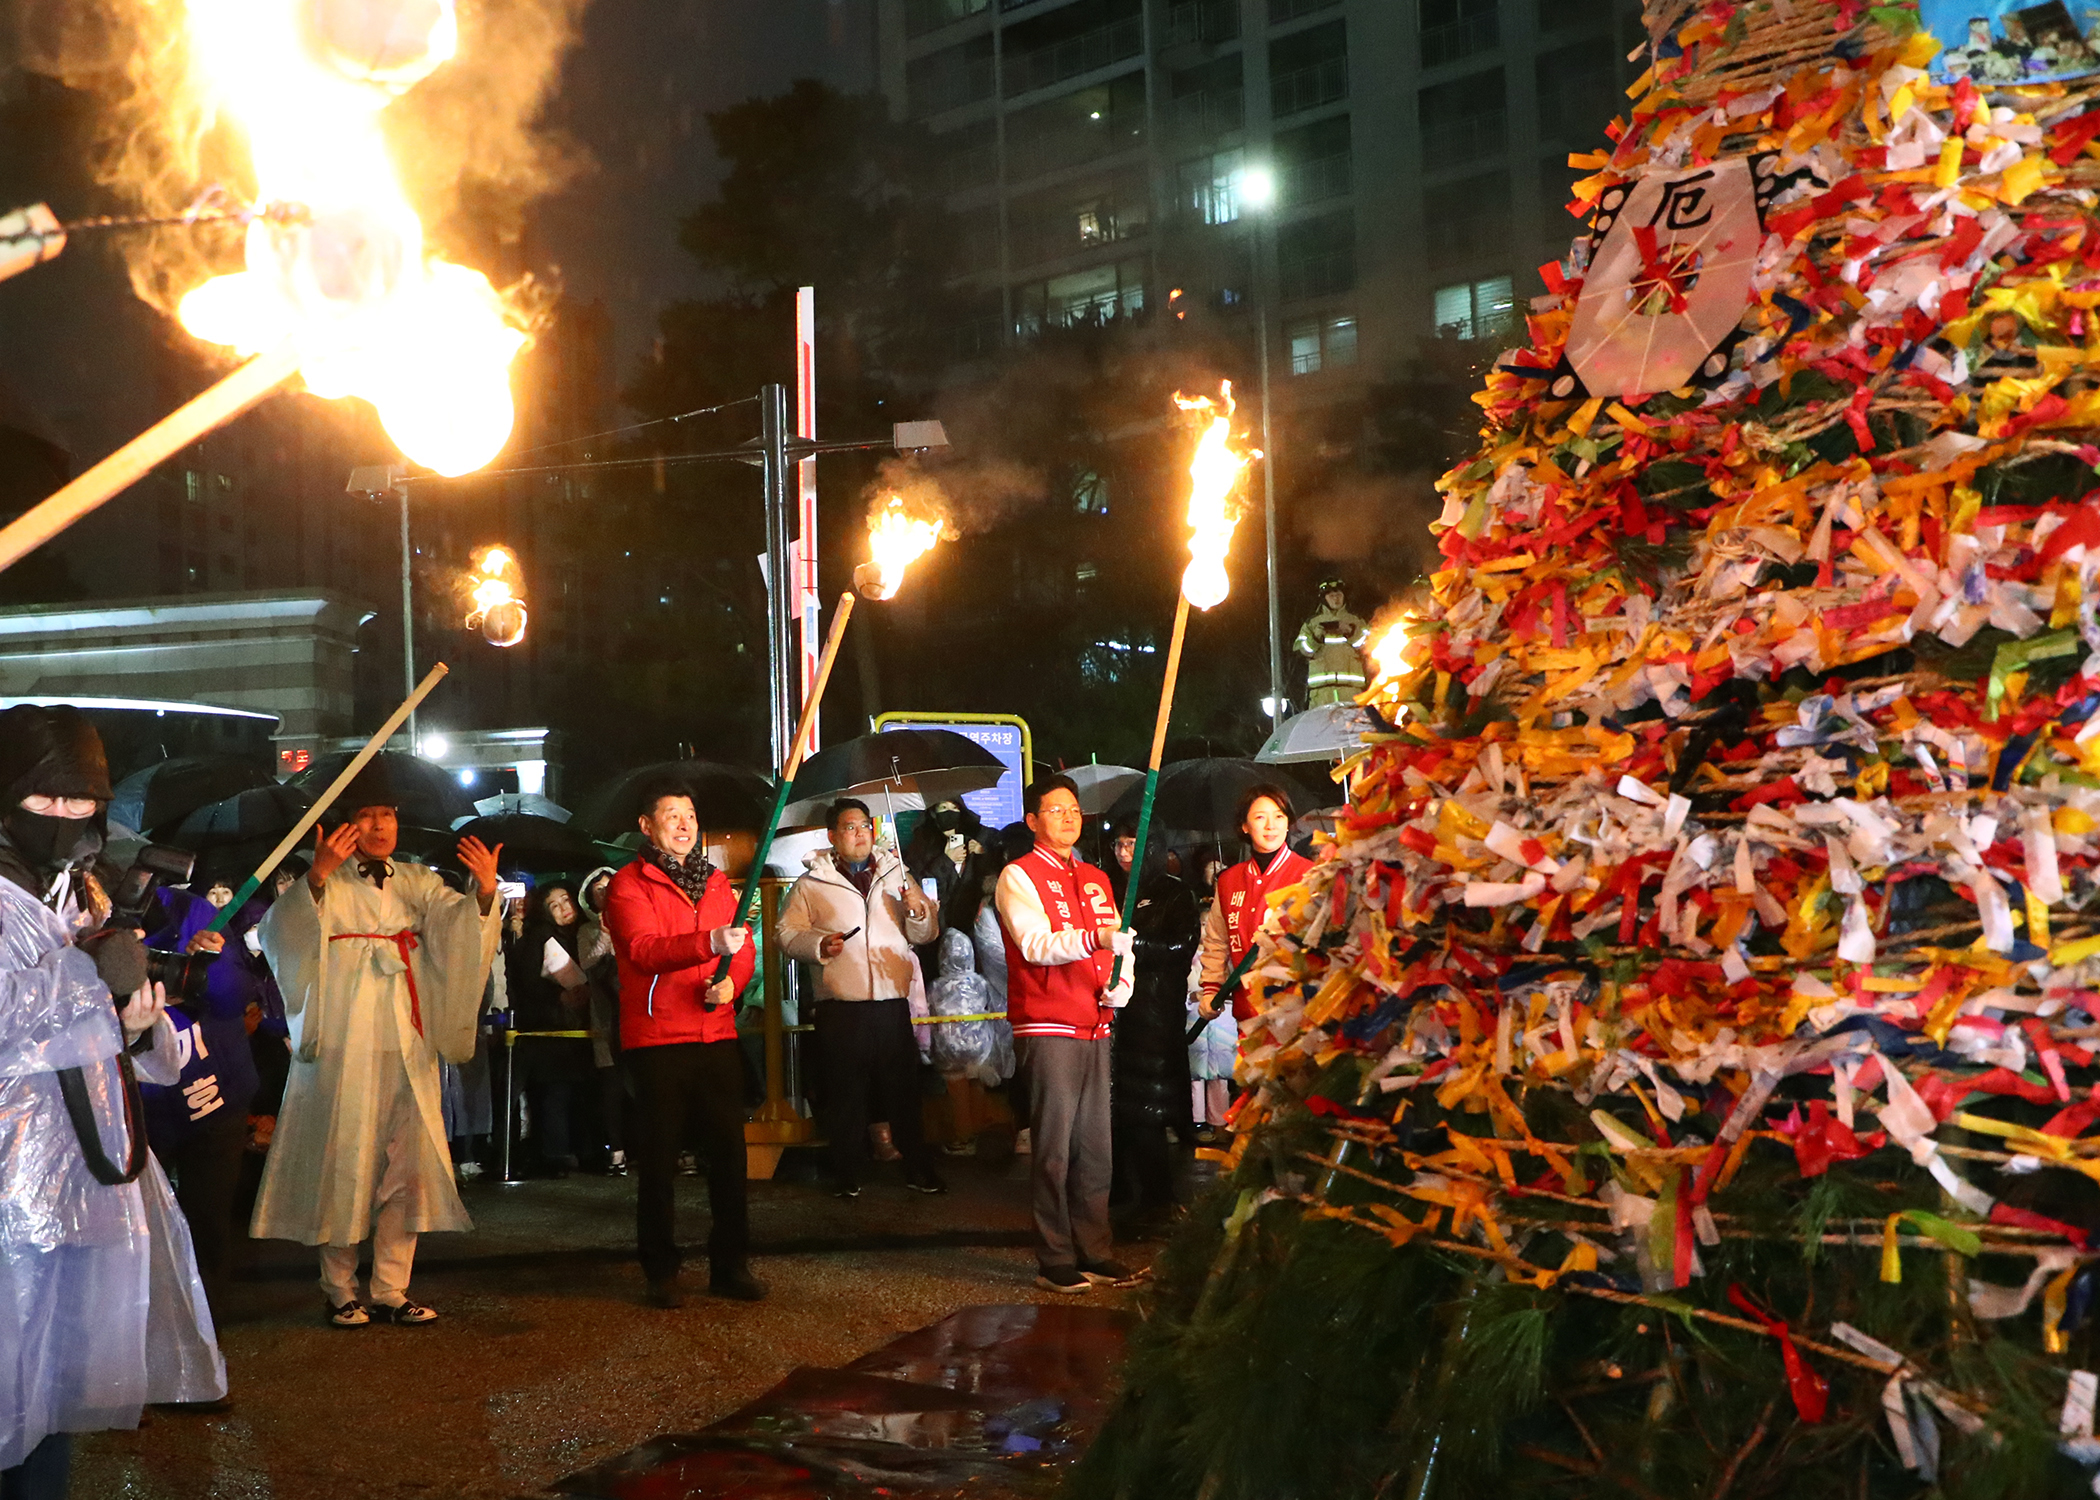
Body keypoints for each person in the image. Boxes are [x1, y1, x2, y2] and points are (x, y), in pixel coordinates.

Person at [0, 705, 225, 1496]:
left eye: (80, 798)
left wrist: (131, 1021)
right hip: (8, 1181)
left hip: (83, 1172)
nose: (65, 815)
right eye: (45, 797)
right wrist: (86, 977)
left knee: (58, 1389)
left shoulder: (83, 894)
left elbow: (112, 1045)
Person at [250, 764, 504, 1327]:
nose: (379, 825)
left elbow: (460, 927)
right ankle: (339, 1288)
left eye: (386, 814)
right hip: (346, 1038)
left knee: (406, 1164)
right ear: (345, 826)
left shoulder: (415, 881)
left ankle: (392, 1286)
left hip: (405, 1038)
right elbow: (279, 935)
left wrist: (484, 891)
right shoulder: (325, 884)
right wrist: (315, 879)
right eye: (366, 815)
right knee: (346, 1159)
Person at [602, 778, 763, 1307]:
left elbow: (743, 948)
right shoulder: (628, 884)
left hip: (715, 1033)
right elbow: (645, 950)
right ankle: (661, 1269)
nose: (684, 823)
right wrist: (709, 943)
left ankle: (731, 1264)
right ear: (646, 826)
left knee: (728, 1156)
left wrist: (732, 983)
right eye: (671, 814)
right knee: (660, 1159)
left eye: (690, 814)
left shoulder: (717, 882)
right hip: (657, 1040)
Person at [995, 774, 1133, 1294]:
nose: (1068, 817)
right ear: (1033, 820)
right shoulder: (1018, 875)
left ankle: (1095, 1249)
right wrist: (1096, 938)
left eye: (1073, 809)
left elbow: (1120, 945)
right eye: (1055, 810)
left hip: (1096, 1020)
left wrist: (1123, 985)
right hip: (1047, 1019)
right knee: (1053, 1148)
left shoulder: (1096, 877)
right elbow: (1035, 943)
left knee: (1096, 1146)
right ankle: (1053, 1255)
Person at [778, 797, 945, 1197]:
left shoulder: (896, 874)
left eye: (865, 826)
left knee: (903, 1091)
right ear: (833, 836)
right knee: (845, 1095)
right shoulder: (812, 882)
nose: (859, 834)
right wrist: (819, 944)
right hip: (841, 1005)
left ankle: (917, 1168)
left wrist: (919, 913)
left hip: (890, 1001)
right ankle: (847, 1173)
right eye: (849, 828)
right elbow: (785, 934)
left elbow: (926, 935)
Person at [142, 869, 276, 1319]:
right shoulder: (80, 915)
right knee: (138, 1224)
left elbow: (236, 994)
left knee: (209, 1220)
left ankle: (207, 1327)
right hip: (136, 1102)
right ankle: (145, 1330)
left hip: (215, 1091)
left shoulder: (191, 911)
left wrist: (210, 961)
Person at [1107, 819, 1199, 1228]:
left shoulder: (1174, 892)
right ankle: (1120, 1187)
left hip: (1155, 1014)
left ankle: (1159, 1194)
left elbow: (1182, 946)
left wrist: (1133, 944)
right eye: (1119, 845)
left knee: (1150, 1107)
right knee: (1120, 1106)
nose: (1125, 853)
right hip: (1118, 1013)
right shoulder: (1112, 891)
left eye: (1133, 844)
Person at [1196, 784, 1314, 1029]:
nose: (1271, 826)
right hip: (1248, 1013)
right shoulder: (1229, 881)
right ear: (1245, 826)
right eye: (1260, 818)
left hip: (1298, 1013)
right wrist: (1211, 988)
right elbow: (1217, 940)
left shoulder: (1309, 875)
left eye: (1279, 817)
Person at [508, 881, 595, 1176]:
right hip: (549, 1027)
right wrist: (558, 996)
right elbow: (527, 981)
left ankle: (581, 1150)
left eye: (565, 900)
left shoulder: (581, 935)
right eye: (553, 905)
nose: (563, 909)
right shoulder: (541, 937)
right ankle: (555, 1154)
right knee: (555, 1092)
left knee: (578, 1091)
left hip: (577, 1026)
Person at [577, 865, 625, 1174]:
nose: (606, 893)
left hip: (636, 1013)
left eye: (611, 887)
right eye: (599, 890)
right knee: (611, 1086)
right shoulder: (586, 930)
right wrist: (606, 933)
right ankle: (617, 1151)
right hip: (604, 1014)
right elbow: (588, 961)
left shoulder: (636, 920)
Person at [1293, 578, 1371, 707]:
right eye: (1331, 595)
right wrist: (1316, 638)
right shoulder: (1312, 623)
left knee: (1351, 727)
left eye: (1339, 595)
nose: (1336, 599)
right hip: (1321, 694)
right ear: (1324, 598)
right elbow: (1303, 651)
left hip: (1351, 693)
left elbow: (1369, 647)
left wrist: (1351, 632)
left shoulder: (1356, 621)